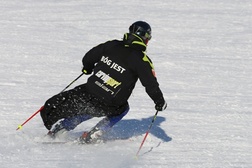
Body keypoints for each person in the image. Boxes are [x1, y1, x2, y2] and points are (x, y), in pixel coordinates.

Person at [40, 21, 167, 144]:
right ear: (145, 38)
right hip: (110, 103)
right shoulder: (142, 60)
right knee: (122, 109)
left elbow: (89, 57)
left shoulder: (112, 45)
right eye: (148, 38)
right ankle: (95, 133)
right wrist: (159, 102)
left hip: (88, 92)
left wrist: (87, 67)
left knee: (89, 108)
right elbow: (150, 85)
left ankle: (60, 129)